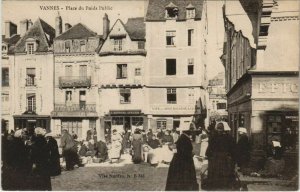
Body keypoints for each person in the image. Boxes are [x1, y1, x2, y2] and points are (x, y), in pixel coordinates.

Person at [205, 122, 236, 190]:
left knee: (215, 174)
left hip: (215, 159)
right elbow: (233, 150)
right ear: (224, 129)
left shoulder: (213, 137)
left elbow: (209, 150)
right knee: (225, 174)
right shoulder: (229, 137)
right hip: (225, 160)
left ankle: (215, 186)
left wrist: (209, 155)